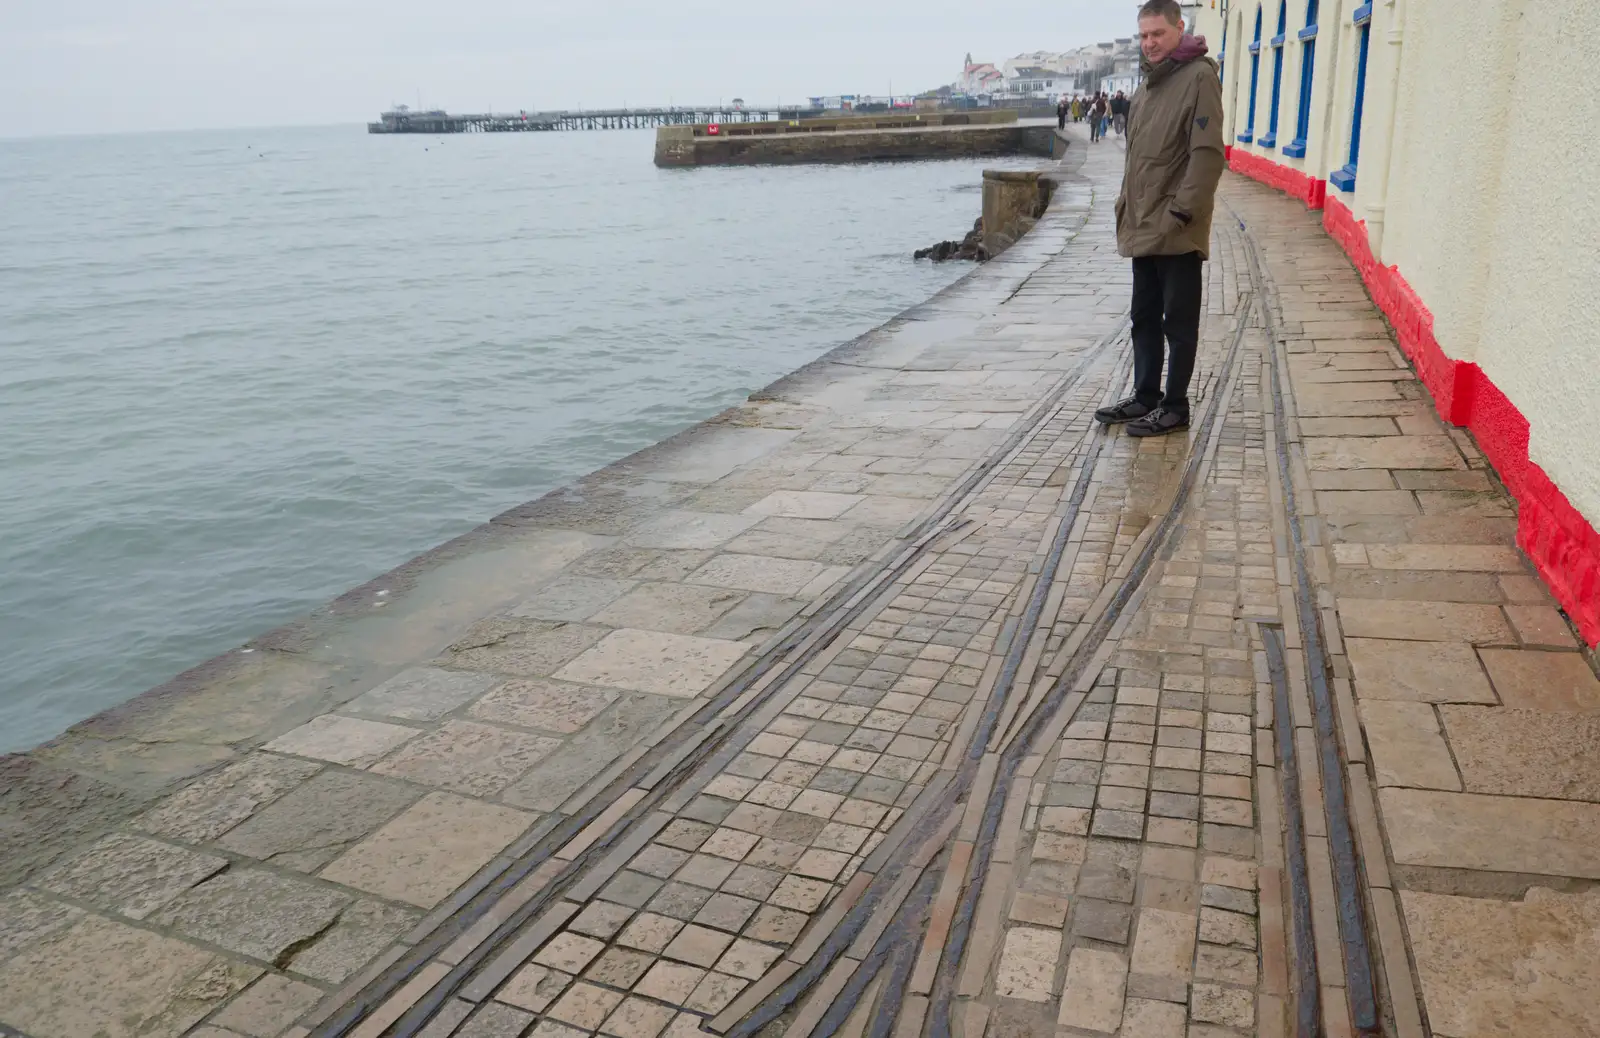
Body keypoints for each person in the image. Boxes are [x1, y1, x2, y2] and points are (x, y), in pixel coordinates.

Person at [1096, 0, 1224, 437]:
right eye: (1144, 35)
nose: (1150, 42)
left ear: (1178, 29)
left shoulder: (1199, 76)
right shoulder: (1147, 85)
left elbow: (1206, 154)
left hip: (1176, 226)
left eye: (1158, 34)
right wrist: (1125, 206)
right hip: (1142, 222)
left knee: (1178, 322)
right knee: (1144, 317)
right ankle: (1145, 396)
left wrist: (1182, 212)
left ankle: (1174, 406)